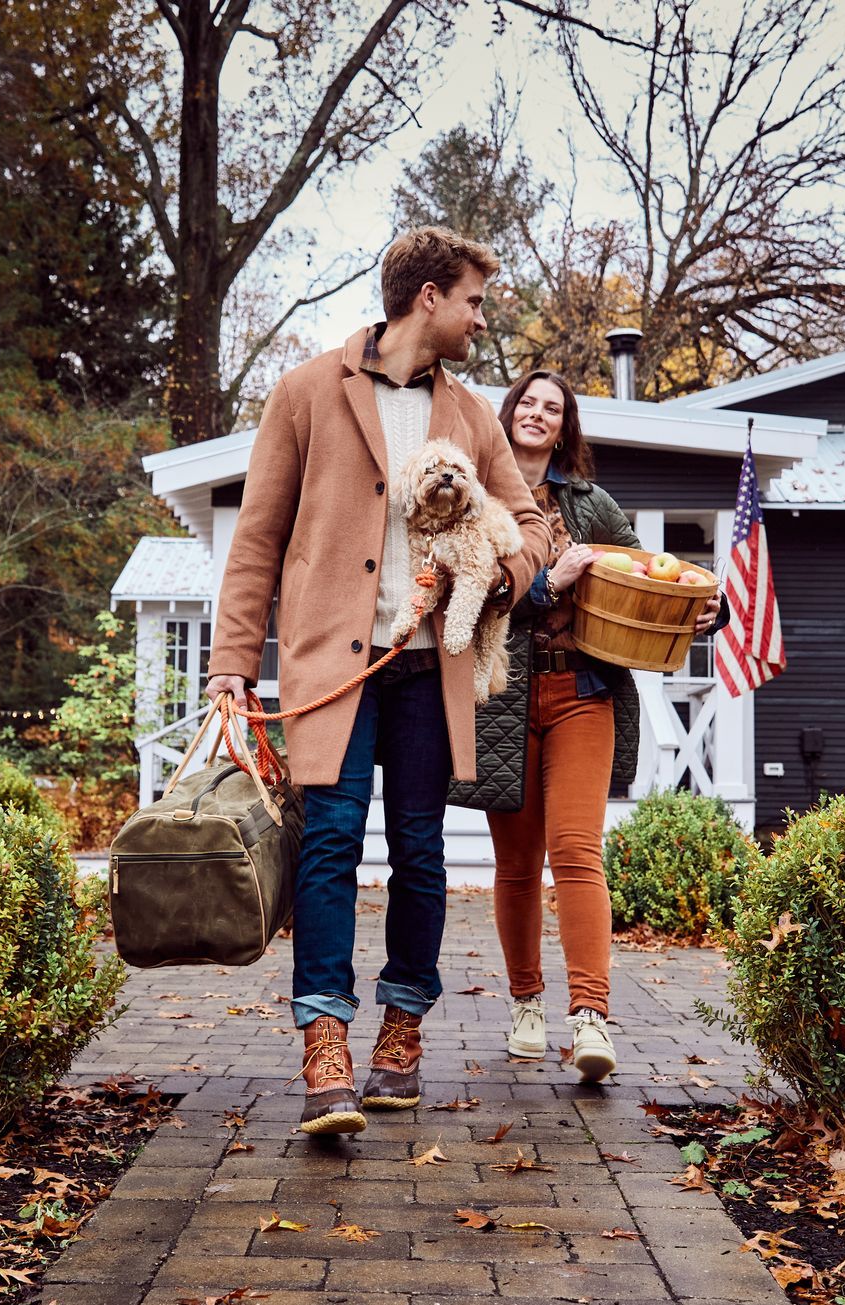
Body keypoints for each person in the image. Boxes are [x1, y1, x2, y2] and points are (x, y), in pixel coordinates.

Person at [204, 228, 551, 1136]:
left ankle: (403, 1029)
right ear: (428, 298)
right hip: (334, 665)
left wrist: (495, 581)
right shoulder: (307, 392)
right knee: (327, 845)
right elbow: (257, 542)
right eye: (473, 300)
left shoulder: (472, 415)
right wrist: (234, 668)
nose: (482, 318)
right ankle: (325, 1043)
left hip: (431, 668)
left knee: (421, 850)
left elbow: (532, 526)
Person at [456, 369, 724, 1082]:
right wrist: (549, 584)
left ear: (565, 427)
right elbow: (469, 597)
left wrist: (704, 608)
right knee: (516, 866)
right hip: (505, 699)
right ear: (507, 416)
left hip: (583, 692)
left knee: (577, 851)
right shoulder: (476, 504)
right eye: (529, 403)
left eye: (554, 407)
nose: (539, 413)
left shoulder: (591, 506)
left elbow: (649, 571)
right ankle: (525, 1006)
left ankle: (591, 1018)